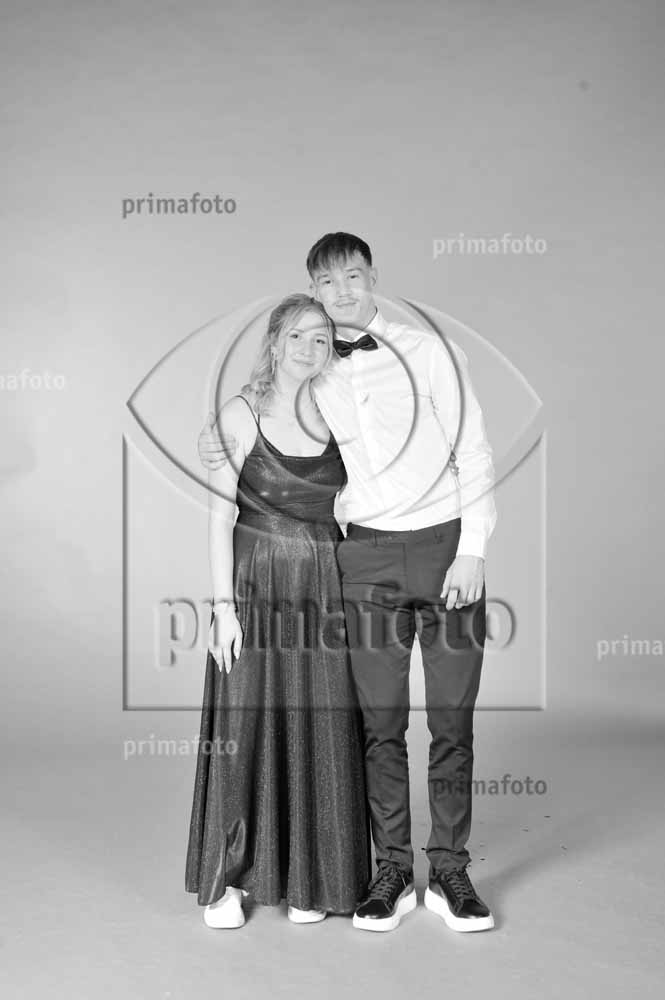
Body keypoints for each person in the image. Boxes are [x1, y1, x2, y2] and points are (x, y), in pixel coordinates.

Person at [198, 233, 497, 934]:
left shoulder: (430, 352)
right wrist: (217, 436)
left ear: (372, 279)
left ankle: (449, 869)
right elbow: (258, 430)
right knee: (377, 723)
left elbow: (475, 451)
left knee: (451, 720)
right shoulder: (316, 369)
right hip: (359, 558)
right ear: (312, 292)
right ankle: (389, 869)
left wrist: (474, 548)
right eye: (327, 283)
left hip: (445, 548)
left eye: (353, 278)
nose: (342, 294)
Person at [185, 292, 370, 929]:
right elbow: (220, 516)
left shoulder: (339, 406)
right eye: (297, 336)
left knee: (320, 724)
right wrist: (223, 609)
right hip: (256, 583)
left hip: (324, 584)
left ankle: (308, 876)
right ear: (274, 342)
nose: (309, 348)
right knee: (247, 722)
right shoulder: (240, 413)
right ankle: (229, 880)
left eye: (321, 338)